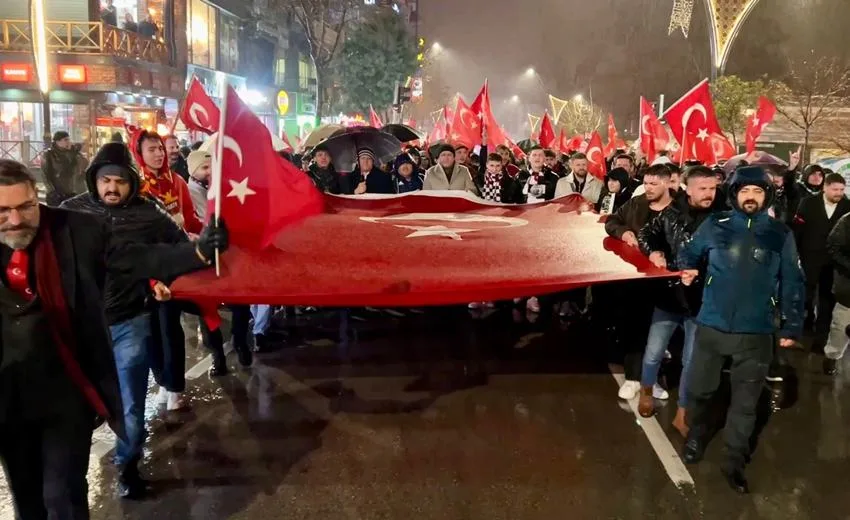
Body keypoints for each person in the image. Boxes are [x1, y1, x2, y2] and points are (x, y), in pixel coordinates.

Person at [0, 158, 228, 516]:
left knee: (63, 494)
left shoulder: (75, 229)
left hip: (66, 390)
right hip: (8, 400)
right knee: (27, 499)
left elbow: (136, 258)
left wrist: (198, 252)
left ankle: (127, 465)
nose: (16, 220)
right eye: (3, 211)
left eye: (26, 207)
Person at [677, 165, 804, 494]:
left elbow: (793, 281)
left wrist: (792, 324)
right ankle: (697, 436)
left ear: (767, 196)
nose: (751, 197)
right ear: (734, 195)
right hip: (712, 326)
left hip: (756, 333)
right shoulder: (714, 225)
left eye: (758, 191)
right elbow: (688, 252)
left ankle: (733, 461)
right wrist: (687, 267)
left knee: (746, 404)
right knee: (701, 391)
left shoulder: (780, 234)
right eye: (745, 191)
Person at [636, 166, 719, 436]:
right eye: (703, 189)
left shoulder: (722, 220)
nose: (709, 194)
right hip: (669, 297)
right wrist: (654, 251)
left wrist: (703, 273)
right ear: (687, 188)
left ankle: (683, 412)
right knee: (653, 353)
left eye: (713, 188)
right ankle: (646, 390)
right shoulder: (670, 215)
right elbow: (645, 234)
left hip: (702, 302)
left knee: (691, 361)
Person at [603, 164, 674, 400]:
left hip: (667, 283)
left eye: (654, 184)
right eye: (646, 183)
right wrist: (623, 232)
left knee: (660, 337)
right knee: (634, 330)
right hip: (636, 280)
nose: (649, 188)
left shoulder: (679, 208)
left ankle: (651, 380)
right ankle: (633, 378)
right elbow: (612, 221)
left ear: (667, 182)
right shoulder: (636, 204)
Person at [793, 173, 850, 340]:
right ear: (825, 187)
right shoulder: (808, 203)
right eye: (834, 189)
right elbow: (798, 230)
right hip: (809, 257)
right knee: (806, 294)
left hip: (835, 263)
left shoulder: (847, 206)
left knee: (828, 298)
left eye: (841, 189)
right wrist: (796, 253)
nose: (838, 193)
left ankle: (822, 333)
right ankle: (806, 324)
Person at [824, 211, 850, 375]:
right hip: (848, 288)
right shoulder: (847, 221)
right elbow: (833, 246)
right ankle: (832, 355)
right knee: (841, 326)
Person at [42, 130, 88, 206]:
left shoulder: (73, 152)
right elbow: (44, 175)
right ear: (57, 142)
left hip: (74, 191)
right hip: (58, 193)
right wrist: (52, 191)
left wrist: (76, 153)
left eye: (69, 139)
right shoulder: (49, 154)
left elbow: (84, 166)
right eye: (65, 140)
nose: (68, 142)